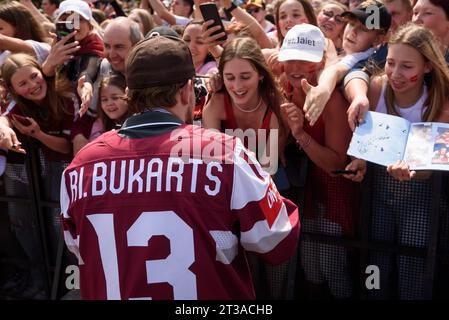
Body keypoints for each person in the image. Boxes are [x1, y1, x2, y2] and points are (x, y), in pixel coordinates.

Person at [60, 35, 300, 300]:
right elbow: (276, 240)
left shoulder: (81, 165)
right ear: (187, 90)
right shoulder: (224, 153)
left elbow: (76, 247)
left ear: (129, 94)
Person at [344, 23, 449, 299]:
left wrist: (412, 170)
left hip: (419, 202)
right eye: (390, 63)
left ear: (427, 66)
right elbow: (354, 76)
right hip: (378, 198)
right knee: (375, 267)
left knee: (412, 269)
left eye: (407, 66)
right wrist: (358, 162)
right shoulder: (377, 89)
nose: (395, 73)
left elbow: (429, 166)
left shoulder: (439, 102)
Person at [279, 23, 359, 298]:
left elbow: (337, 165)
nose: (295, 67)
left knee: (332, 268)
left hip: (333, 196)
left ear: (322, 61)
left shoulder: (333, 100)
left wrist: (300, 134)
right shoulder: (284, 85)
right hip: (304, 195)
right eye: (290, 58)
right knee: (309, 267)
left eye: (305, 59)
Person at [0, 53, 75, 299]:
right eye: (23, 84)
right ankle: (38, 277)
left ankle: (62, 282)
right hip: (22, 169)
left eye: (34, 76)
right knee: (20, 221)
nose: (32, 85)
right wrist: (4, 127)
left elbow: (66, 146)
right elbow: (4, 117)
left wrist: (38, 134)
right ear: (13, 90)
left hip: (58, 166)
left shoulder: (64, 97)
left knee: (56, 225)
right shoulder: (14, 104)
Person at [202, 36, 284, 174]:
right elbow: (214, 163)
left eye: (245, 77)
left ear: (261, 74)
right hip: (228, 177)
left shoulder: (276, 106)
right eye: (230, 77)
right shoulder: (217, 103)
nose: (237, 86)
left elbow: (267, 174)